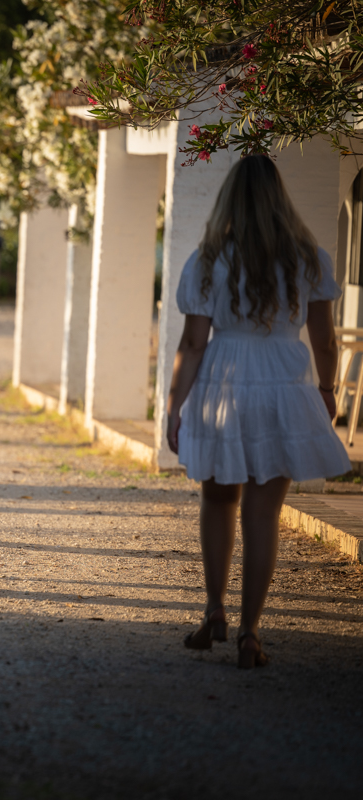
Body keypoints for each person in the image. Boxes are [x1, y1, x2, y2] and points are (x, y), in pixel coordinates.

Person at [166, 154, 350, 669]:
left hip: (223, 381)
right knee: (264, 512)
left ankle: (213, 611)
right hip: (284, 385)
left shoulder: (207, 260)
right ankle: (250, 633)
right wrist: (328, 388)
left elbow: (193, 342)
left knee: (219, 500)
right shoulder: (309, 258)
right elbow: (326, 340)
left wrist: (174, 405)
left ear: (228, 198)